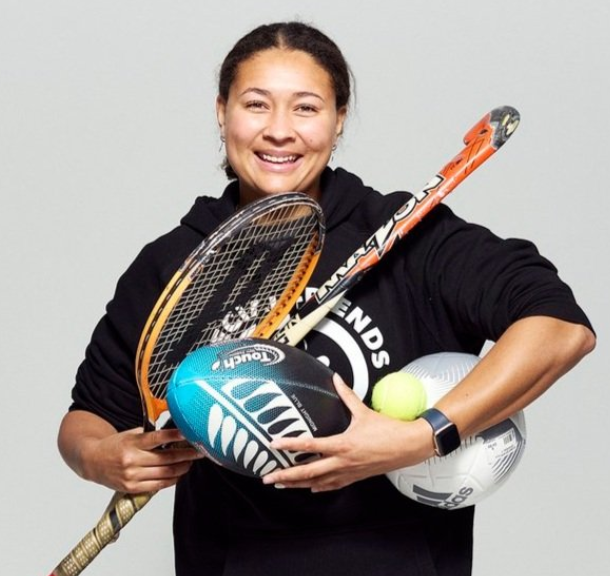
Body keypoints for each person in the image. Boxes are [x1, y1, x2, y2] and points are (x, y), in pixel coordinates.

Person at [58, 21, 595, 576]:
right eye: (256, 104)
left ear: (339, 120)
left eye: (306, 108)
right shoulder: (177, 264)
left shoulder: (409, 236)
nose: (279, 131)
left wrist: (421, 437)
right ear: (222, 113)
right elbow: (86, 420)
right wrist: (103, 457)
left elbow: (562, 329)